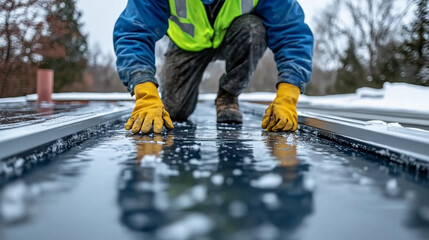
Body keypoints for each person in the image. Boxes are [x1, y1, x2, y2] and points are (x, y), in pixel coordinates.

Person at [113, 0, 313, 134]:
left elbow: (292, 34)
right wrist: (146, 93)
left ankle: (228, 95)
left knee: (253, 30)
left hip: (236, 36)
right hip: (187, 46)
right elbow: (133, 32)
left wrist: (288, 95)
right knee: (174, 110)